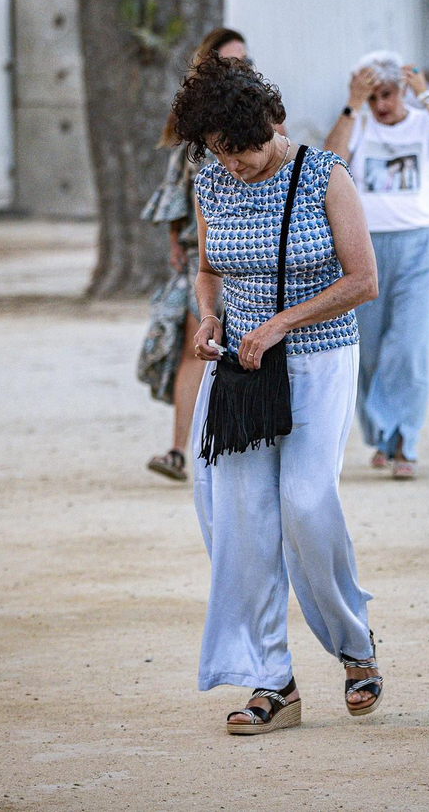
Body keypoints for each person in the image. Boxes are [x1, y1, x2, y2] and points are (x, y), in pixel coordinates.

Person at [173, 54, 383, 734]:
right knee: (237, 520)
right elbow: (208, 270)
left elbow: (363, 281)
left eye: (247, 152)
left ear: (276, 125)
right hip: (239, 371)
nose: (237, 165)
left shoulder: (325, 175)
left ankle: (354, 646)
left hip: (318, 361)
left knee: (305, 502)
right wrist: (210, 319)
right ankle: (272, 681)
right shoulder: (210, 180)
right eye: (223, 154)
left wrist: (281, 323)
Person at [324, 51, 429, 480]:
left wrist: (426, 96)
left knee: (406, 347)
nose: (381, 104)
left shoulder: (426, 122)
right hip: (362, 249)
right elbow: (328, 161)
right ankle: (382, 434)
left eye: (387, 94)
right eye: (373, 97)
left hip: (420, 246)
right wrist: (353, 105)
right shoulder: (359, 121)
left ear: (401, 90)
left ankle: (406, 439)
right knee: (366, 349)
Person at [142, 27, 249, 482]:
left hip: (252, 257)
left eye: (245, 61)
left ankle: (230, 448)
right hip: (201, 256)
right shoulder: (193, 130)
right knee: (195, 347)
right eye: (231, 62)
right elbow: (174, 192)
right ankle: (179, 450)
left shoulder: (259, 117)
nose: (241, 68)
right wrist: (175, 248)